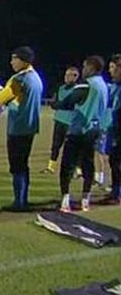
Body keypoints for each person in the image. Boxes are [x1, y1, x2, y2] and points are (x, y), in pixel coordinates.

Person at [52, 55, 108, 212]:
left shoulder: (86, 84)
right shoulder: (103, 85)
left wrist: (56, 104)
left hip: (79, 129)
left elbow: (69, 101)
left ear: (91, 67)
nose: (83, 70)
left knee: (67, 166)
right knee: (88, 164)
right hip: (95, 129)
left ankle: (65, 202)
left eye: (85, 67)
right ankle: (85, 200)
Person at [0, 46, 43, 211]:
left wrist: (3, 95)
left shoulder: (18, 79)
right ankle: (24, 199)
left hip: (17, 128)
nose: (11, 62)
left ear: (22, 60)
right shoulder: (36, 77)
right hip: (30, 127)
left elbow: (0, 99)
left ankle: (19, 202)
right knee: (23, 165)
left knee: (17, 167)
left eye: (14, 58)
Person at [41, 66, 80, 174]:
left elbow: (71, 105)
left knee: (72, 148)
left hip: (70, 122)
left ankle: (77, 170)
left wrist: (60, 104)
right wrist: (61, 104)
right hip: (59, 120)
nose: (66, 77)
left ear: (75, 77)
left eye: (69, 75)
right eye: (66, 75)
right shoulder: (61, 88)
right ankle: (50, 167)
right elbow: (54, 103)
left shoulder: (78, 89)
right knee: (55, 145)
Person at [106, 54, 121, 204]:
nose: (110, 71)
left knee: (117, 162)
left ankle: (117, 193)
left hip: (118, 130)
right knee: (114, 160)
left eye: (113, 68)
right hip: (115, 128)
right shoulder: (115, 86)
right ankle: (115, 191)